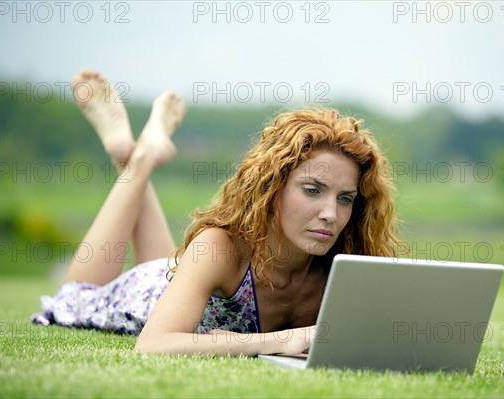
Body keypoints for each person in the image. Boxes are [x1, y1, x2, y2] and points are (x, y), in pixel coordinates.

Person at [32, 71, 406, 357]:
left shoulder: (347, 262)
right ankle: (136, 157)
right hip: (145, 294)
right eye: (312, 191)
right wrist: (275, 342)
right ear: (272, 187)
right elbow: (153, 344)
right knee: (73, 296)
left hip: (177, 275)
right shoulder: (222, 246)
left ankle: (137, 156)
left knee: (170, 264)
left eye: (346, 199)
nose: (330, 213)